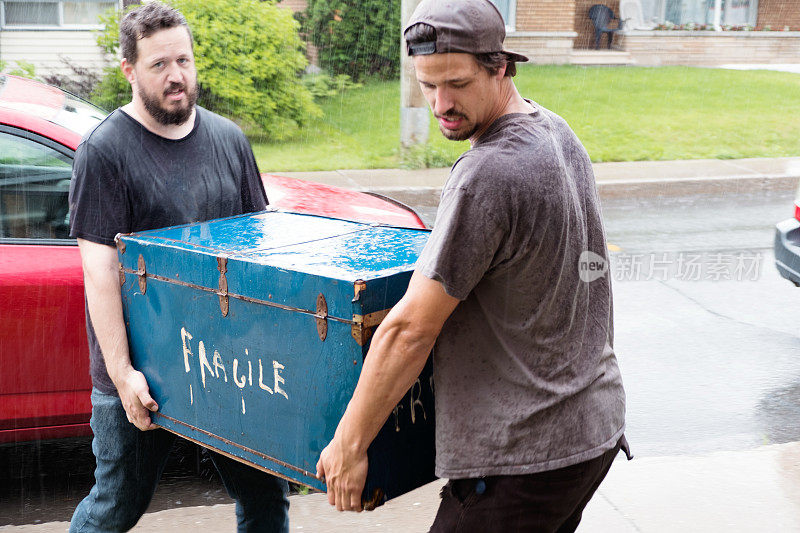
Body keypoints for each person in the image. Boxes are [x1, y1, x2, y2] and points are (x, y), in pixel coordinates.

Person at [315, 0, 630, 530]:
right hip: (588, 428)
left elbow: (410, 330)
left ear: (501, 66)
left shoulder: (487, 174)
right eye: (428, 85)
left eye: (457, 83)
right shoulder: (554, 129)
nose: (441, 103)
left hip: (526, 453)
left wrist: (349, 443)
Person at [68, 3, 288, 531]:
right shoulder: (104, 153)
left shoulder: (229, 140)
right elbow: (100, 277)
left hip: (229, 369)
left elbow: (257, 254)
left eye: (184, 61)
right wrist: (123, 376)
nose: (176, 76)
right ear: (129, 71)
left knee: (264, 499)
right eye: (159, 65)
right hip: (147, 373)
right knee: (115, 506)